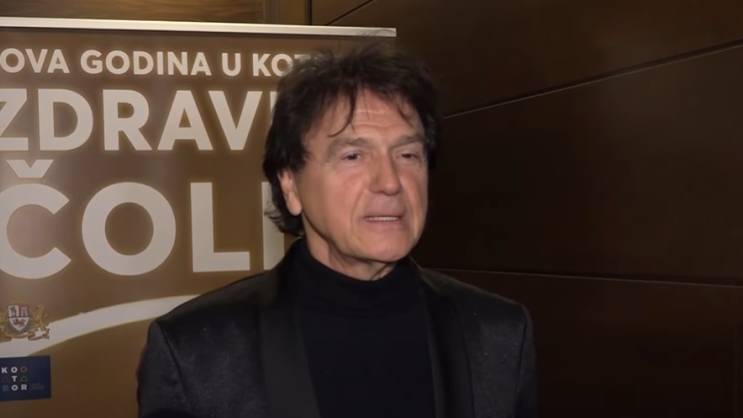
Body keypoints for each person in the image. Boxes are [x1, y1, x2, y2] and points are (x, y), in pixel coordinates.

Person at [137, 42, 537, 418]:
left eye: (408, 154)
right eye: (353, 156)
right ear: (291, 186)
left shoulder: (498, 335)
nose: (390, 182)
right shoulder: (197, 352)